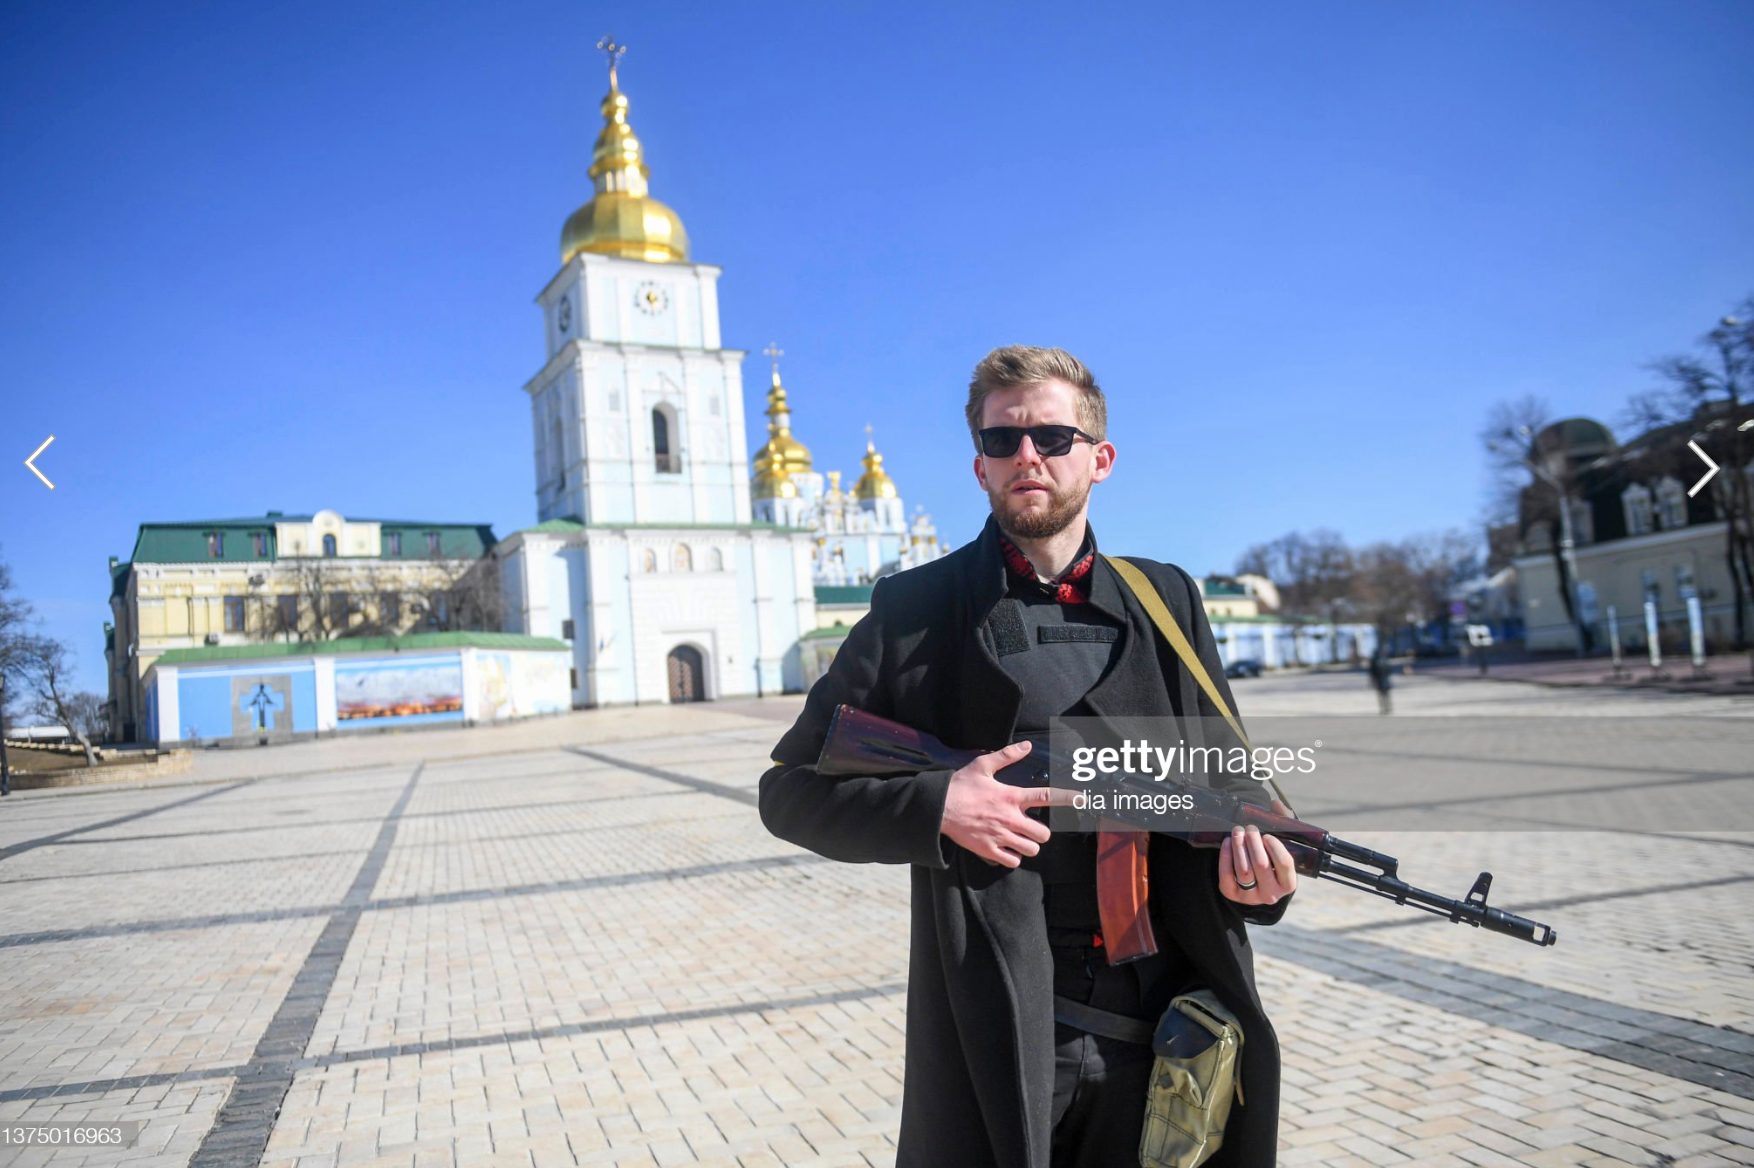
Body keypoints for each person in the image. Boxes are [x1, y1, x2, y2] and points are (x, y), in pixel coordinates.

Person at [759, 346, 1296, 1168]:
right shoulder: (916, 610)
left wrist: (1259, 878)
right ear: (979, 466)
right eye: (1002, 440)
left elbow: (1235, 790)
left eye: (1051, 436)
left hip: (1169, 1026)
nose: (1027, 457)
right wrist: (938, 805)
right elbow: (788, 791)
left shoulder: (1167, 600)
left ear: (1100, 458)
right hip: (1002, 1030)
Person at [1368, 646, 1394, 714]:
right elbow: (1390, 671)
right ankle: (1388, 707)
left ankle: (1383, 708)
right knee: (1387, 695)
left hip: (1379, 681)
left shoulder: (1374, 661)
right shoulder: (1385, 660)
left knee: (1381, 695)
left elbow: (1372, 672)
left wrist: (1372, 681)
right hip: (1386, 680)